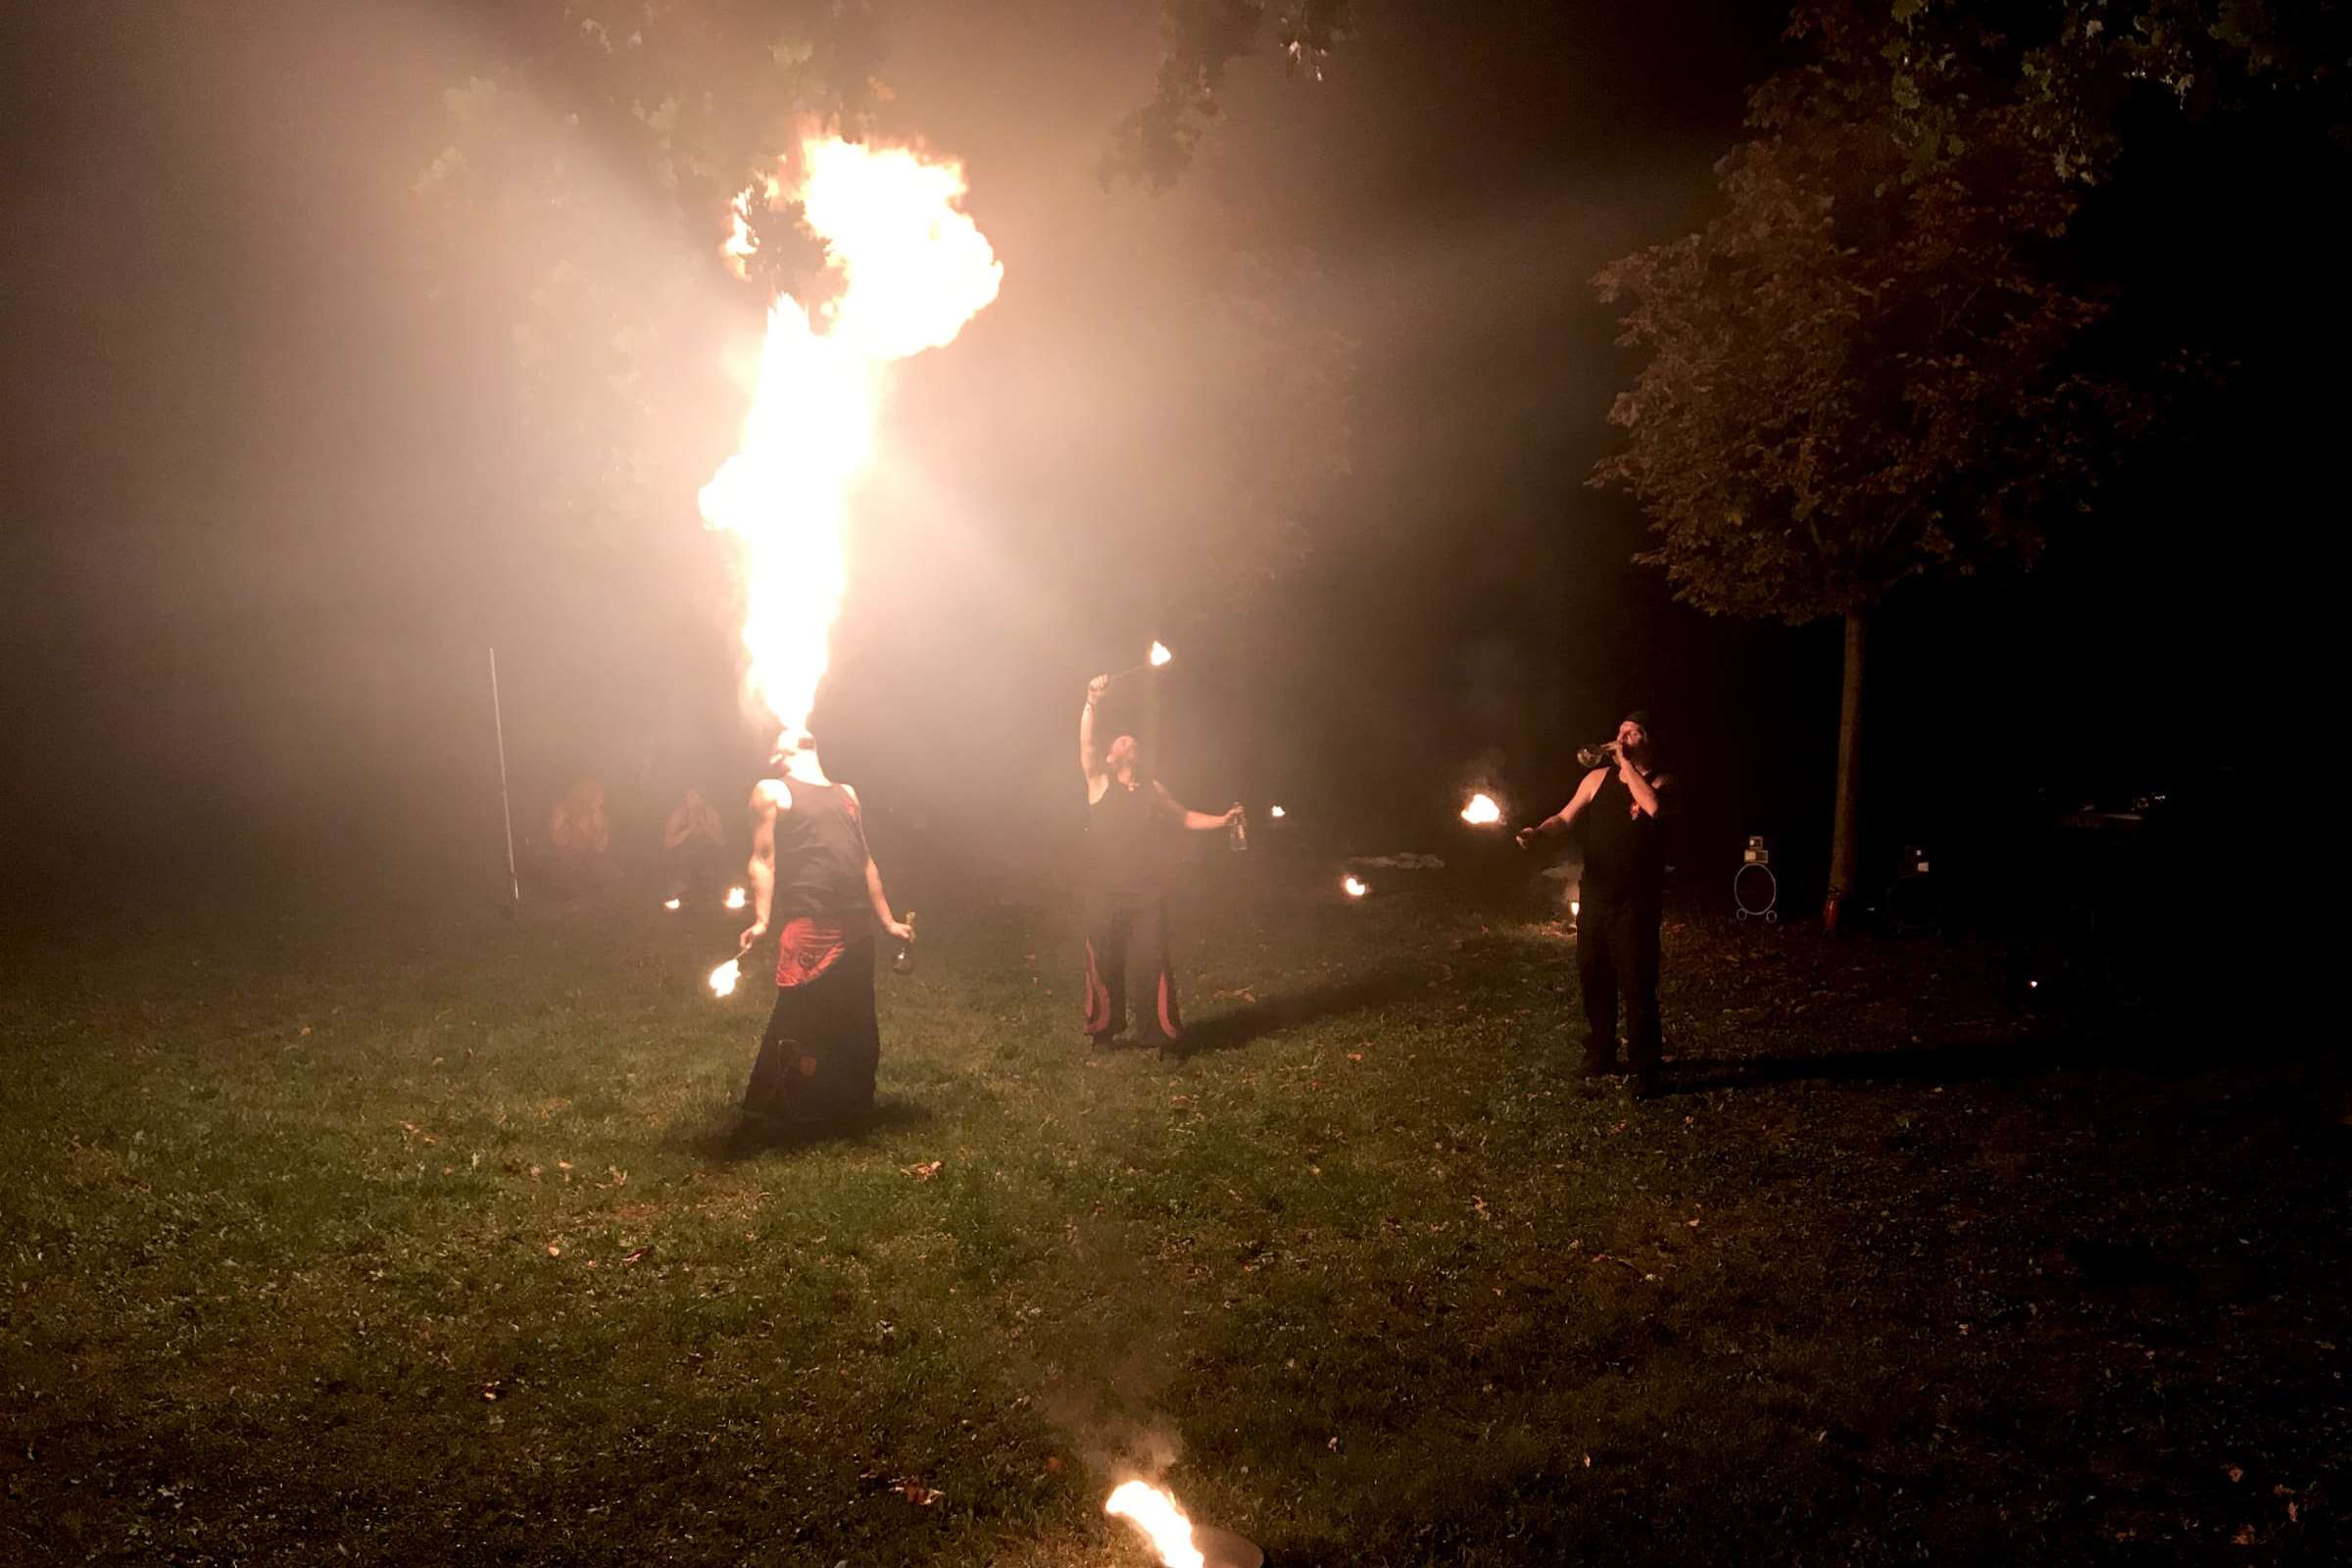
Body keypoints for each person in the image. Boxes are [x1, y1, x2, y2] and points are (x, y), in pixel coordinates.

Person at [733, 727, 914, 1130]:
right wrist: (762, 919)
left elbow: (865, 860)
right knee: (799, 1018)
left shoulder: (847, 793)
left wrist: (887, 921)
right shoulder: (773, 790)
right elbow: (763, 859)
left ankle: (848, 1107)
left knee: (856, 1021)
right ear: (778, 755)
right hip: (810, 920)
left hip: (857, 927)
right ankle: (777, 1114)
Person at [1078, 672, 1243, 1056]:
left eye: (1130, 740)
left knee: (1151, 960)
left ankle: (1158, 1034)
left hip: (1147, 894)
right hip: (1104, 893)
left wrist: (1222, 820)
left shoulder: (1152, 790)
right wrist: (1092, 702)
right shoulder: (1099, 782)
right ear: (1111, 756)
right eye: (1119, 740)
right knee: (1103, 961)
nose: (1126, 741)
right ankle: (1104, 1030)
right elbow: (1086, 742)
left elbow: (1184, 817)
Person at [1517, 711, 1676, 1097]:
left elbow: (1654, 807)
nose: (1623, 738)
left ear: (1648, 741)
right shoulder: (1596, 780)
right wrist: (1538, 833)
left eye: (1634, 733)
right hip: (1597, 896)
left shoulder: (1661, 780)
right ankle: (1602, 1052)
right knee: (1593, 977)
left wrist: (1625, 765)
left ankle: (1646, 1068)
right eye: (1620, 732)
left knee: (1638, 984)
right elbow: (1564, 817)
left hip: (1636, 902)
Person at [546, 775, 616, 893]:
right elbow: (557, 841)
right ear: (588, 797)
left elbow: (600, 849)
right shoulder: (563, 809)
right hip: (565, 864)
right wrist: (565, 827)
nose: (602, 801)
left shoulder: (598, 815)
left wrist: (602, 830)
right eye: (600, 797)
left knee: (603, 868)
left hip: (585, 863)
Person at [662, 786, 726, 902]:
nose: (690, 800)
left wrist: (707, 828)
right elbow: (668, 843)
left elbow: (721, 841)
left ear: (702, 798)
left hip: (707, 860)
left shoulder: (710, 813)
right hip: (683, 861)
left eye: (694, 796)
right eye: (688, 797)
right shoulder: (679, 815)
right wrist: (688, 830)